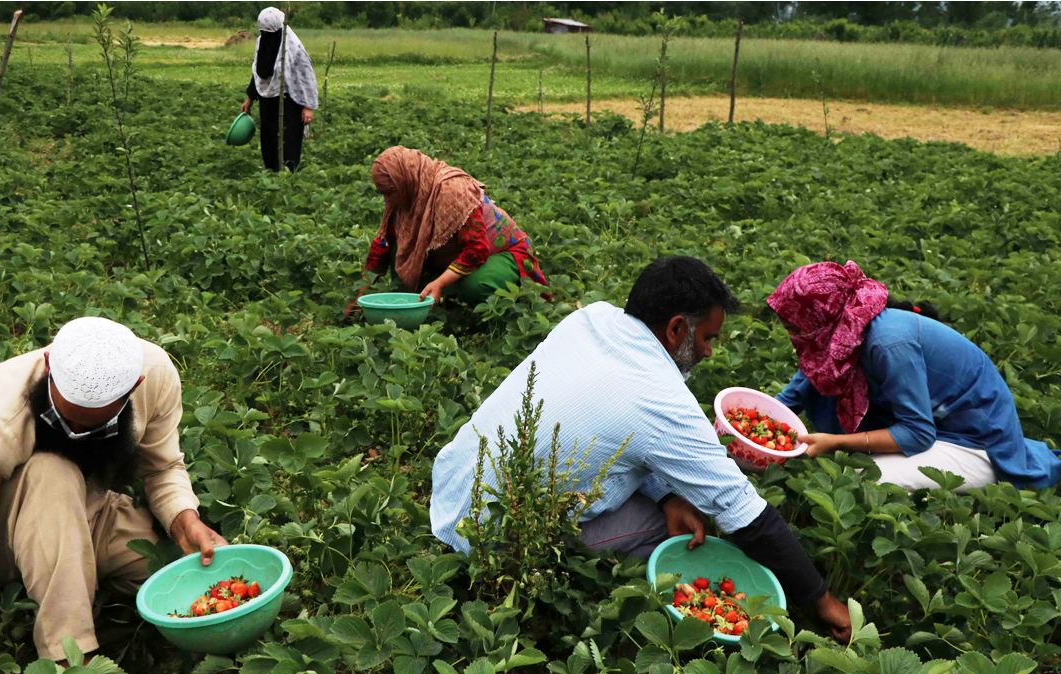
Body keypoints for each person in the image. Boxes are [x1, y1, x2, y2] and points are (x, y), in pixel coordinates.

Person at [430, 256, 851, 640]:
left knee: (664, 493)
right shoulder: (659, 398)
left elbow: (615, 427)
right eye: (707, 337)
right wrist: (820, 599)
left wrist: (666, 492)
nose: (707, 350)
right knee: (679, 535)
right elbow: (744, 513)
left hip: (455, 486)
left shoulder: (591, 320)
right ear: (675, 329)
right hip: (493, 539)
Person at [0, 317, 227, 674]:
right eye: (65, 417)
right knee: (51, 471)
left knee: (187, 571)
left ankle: (219, 648)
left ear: (133, 387)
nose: (74, 431)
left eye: (89, 423)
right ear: (47, 363)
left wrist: (185, 521)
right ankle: (70, 665)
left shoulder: (156, 375)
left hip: (77, 509)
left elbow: (163, 467)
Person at [768, 260, 1061, 491]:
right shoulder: (844, 331)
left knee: (864, 479)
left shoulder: (889, 344)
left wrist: (836, 441)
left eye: (796, 327)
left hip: (974, 440)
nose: (794, 336)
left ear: (822, 317)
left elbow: (918, 433)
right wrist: (746, 426)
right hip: (937, 423)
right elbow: (799, 389)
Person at [354, 146, 547, 308]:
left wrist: (441, 282)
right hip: (455, 253)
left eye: (390, 192)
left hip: (499, 252)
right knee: (400, 251)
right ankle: (439, 296)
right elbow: (383, 244)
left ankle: (496, 311)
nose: (388, 200)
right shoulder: (403, 196)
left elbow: (477, 249)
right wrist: (361, 296)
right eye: (383, 193)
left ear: (404, 179)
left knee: (476, 286)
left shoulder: (451, 191)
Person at [240, 7, 317, 172]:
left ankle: (289, 173)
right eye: (264, 31)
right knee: (269, 137)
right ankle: (272, 171)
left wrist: (308, 106)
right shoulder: (262, 41)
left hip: (289, 100)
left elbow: (306, 76)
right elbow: (257, 72)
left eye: (270, 32)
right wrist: (250, 98)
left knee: (288, 138)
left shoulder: (292, 46)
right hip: (267, 100)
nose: (267, 36)